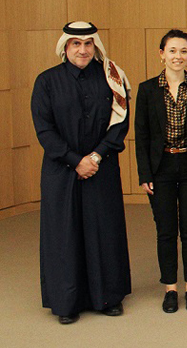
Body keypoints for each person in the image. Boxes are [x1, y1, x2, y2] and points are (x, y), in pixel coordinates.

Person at [30, 21, 132, 324]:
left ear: (95, 46)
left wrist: (97, 156)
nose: (83, 50)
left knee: (104, 231)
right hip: (61, 171)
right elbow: (44, 129)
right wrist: (76, 160)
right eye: (76, 44)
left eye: (88, 44)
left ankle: (108, 297)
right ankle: (67, 302)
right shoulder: (46, 81)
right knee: (65, 234)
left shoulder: (112, 79)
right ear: (65, 46)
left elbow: (120, 122)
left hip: (102, 167)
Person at [134, 30, 187, 314]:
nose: (177, 56)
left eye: (183, 51)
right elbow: (142, 136)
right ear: (161, 54)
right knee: (166, 231)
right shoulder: (147, 90)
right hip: (161, 169)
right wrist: (144, 173)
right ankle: (170, 289)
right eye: (172, 51)